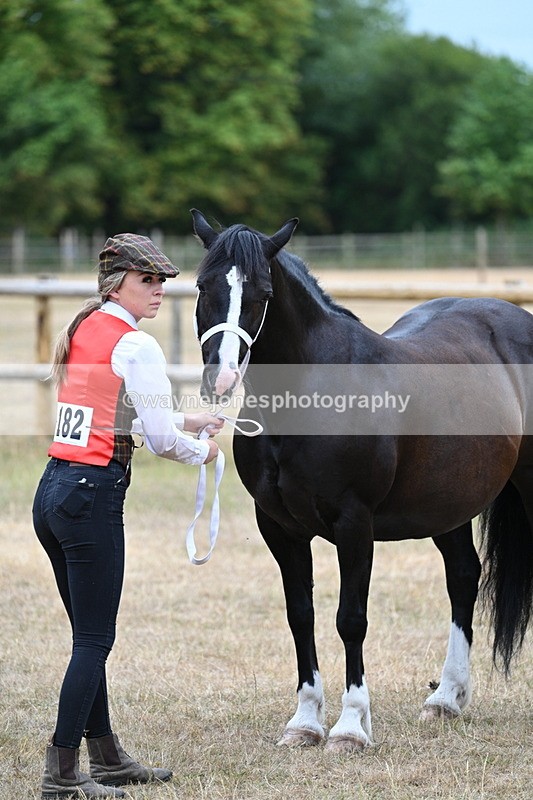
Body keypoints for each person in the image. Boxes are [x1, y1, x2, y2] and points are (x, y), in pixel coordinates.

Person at [32, 234, 223, 799]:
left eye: (161, 280)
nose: (158, 289)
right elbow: (160, 441)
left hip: (54, 492)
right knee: (94, 641)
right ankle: (62, 772)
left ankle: (106, 756)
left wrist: (188, 422)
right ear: (118, 285)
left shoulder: (87, 328)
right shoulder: (137, 345)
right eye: (147, 280)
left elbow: (116, 418)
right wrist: (203, 450)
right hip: (91, 496)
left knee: (87, 639)